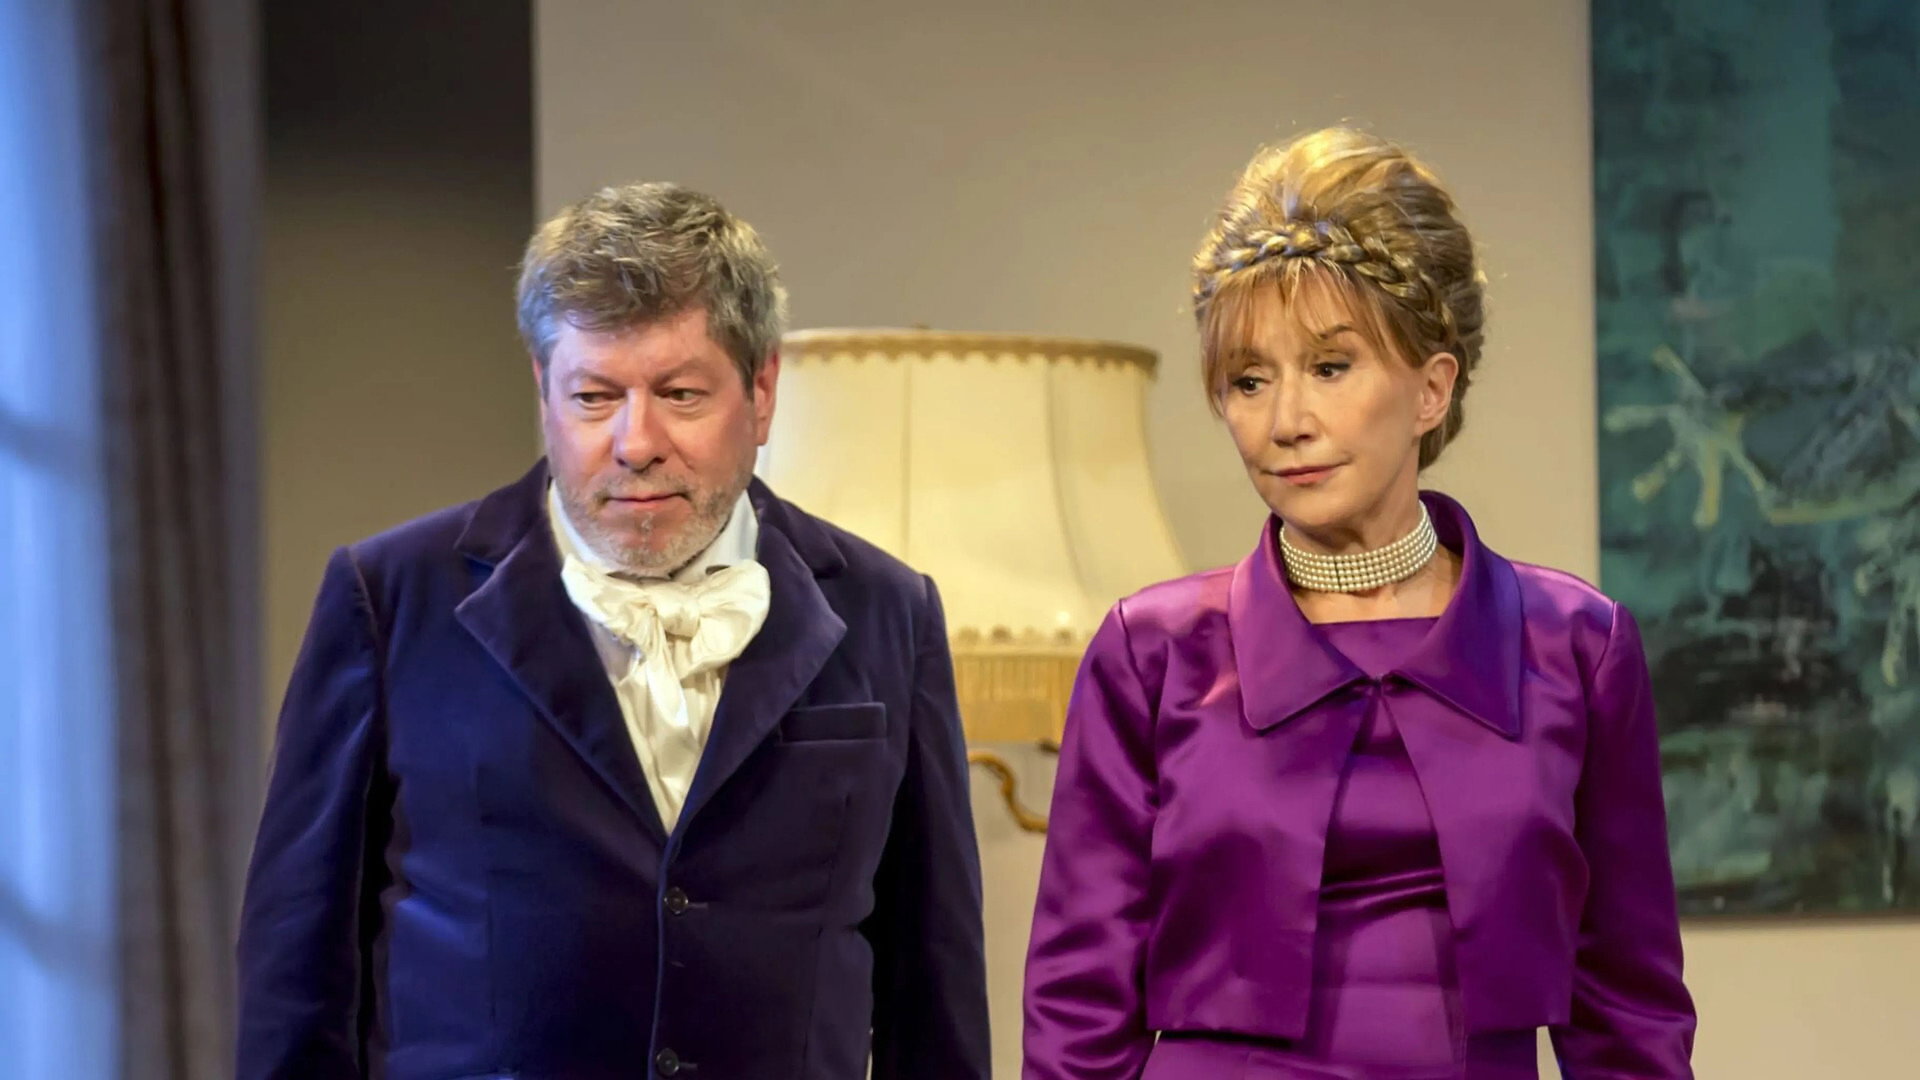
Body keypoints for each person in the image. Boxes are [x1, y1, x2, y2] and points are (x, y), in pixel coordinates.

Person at [237, 182, 991, 1080]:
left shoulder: (888, 610)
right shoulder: (388, 596)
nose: (636, 443)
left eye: (681, 394)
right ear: (542, 389)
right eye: (594, 397)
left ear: (761, 391)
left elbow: (933, 984)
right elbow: (299, 969)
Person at [1023, 129, 1695, 1079]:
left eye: (1330, 368)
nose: (1285, 422)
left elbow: (1629, 1011)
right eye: (1249, 381)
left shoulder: (1576, 648)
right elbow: (1078, 1013)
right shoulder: (1152, 655)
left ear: (1431, 390)